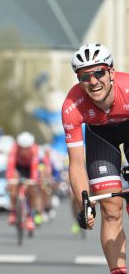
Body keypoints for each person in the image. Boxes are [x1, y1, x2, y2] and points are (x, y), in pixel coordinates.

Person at [62, 43, 129, 274]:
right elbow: (77, 165)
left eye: (99, 72)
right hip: (100, 136)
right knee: (111, 209)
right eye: (85, 76)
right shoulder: (72, 106)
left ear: (111, 72)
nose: (93, 81)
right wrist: (85, 205)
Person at [6, 131, 40, 232]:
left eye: (27, 148)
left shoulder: (34, 150)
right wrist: (10, 180)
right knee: (13, 187)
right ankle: (13, 212)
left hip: (29, 168)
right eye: (22, 148)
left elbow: (34, 168)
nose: (24, 150)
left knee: (32, 189)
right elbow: (10, 166)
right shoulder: (14, 149)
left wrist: (33, 180)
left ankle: (30, 215)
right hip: (18, 167)